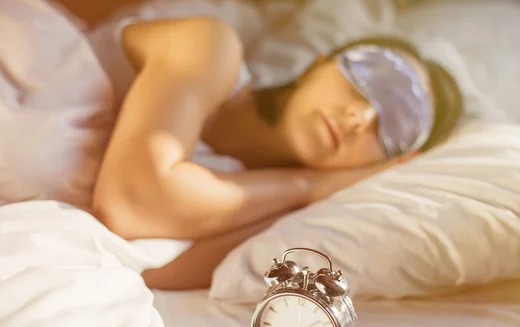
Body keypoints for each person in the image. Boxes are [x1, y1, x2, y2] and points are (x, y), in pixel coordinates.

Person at [56, 2, 463, 290]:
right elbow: (131, 203)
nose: (362, 118)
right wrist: (303, 186)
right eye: (372, 77)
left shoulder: (267, 209)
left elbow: (149, 271)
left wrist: (305, 197)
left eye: (396, 126)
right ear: (321, 61)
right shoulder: (210, 47)